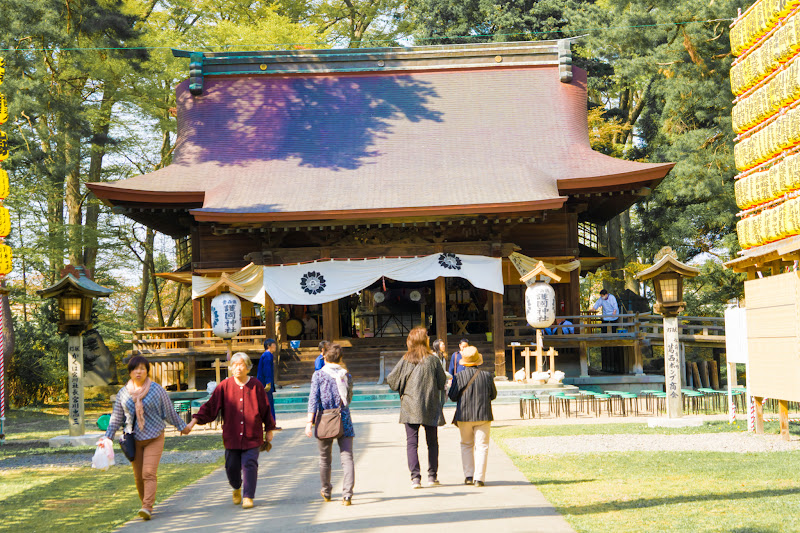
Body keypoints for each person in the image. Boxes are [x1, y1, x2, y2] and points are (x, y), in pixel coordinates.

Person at [102, 355, 189, 521]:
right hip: (133, 440)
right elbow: (116, 418)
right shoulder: (123, 393)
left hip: (154, 436)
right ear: (130, 372)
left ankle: (147, 506)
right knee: (138, 476)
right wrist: (108, 437)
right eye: (135, 369)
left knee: (148, 472)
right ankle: (145, 503)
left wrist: (183, 427)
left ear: (147, 371)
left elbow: (169, 412)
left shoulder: (157, 390)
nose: (138, 372)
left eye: (142, 368)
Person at [185, 352, 275, 509]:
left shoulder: (256, 386)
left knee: (250, 464)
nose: (237, 368)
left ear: (247, 367)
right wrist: (193, 422)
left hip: (252, 435)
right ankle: (236, 487)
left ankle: (248, 496)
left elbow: (265, 409)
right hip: (232, 436)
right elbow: (210, 407)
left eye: (241, 364)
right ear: (231, 368)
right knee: (231, 466)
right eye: (234, 365)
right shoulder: (224, 386)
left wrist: (269, 429)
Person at [387, 327, 447, 489]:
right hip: (430, 404)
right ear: (423, 340)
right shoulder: (433, 360)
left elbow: (392, 381)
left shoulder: (406, 359)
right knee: (432, 442)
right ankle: (432, 476)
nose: (429, 338)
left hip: (409, 406)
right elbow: (442, 383)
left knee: (412, 443)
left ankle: (415, 478)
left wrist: (404, 388)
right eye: (427, 336)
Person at [305, 343, 355, 506]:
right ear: (340, 358)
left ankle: (326, 491)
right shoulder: (346, 375)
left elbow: (314, 399)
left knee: (325, 458)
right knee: (347, 457)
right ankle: (347, 495)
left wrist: (309, 422)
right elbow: (349, 397)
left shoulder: (318, 375)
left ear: (325, 357)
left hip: (325, 418)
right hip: (344, 418)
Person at [448, 346, 497, 487]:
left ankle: (468, 476)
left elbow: (452, 396)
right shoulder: (487, 376)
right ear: (477, 361)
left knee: (466, 445)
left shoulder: (458, 377)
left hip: (464, 415)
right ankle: (479, 478)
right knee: (482, 446)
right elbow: (493, 395)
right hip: (483, 414)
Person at [257, 338, 277, 426]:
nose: (275, 346)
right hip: (265, 383)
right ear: (269, 346)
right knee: (268, 403)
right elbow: (267, 370)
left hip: (263, 382)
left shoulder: (266, 355)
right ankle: (271, 423)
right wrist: (268, 382)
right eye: (274, 344)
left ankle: (270, 423)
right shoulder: (268, 355)